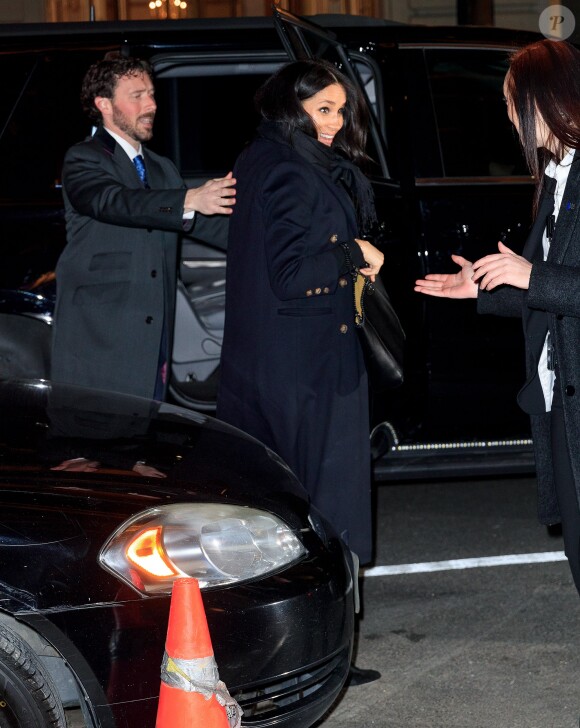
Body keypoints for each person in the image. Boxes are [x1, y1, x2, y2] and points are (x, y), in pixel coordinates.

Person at [414, 38, 580, 595]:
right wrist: (483, 289)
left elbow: (549, 283)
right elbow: (551, 292)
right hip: (563, 398)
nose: (507, 114)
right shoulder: (558, 176)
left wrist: (532, 276)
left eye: (511, 101)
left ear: (542, 100)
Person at [216, 58, 384, 570]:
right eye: (323, 109)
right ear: (293, 108)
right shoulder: (290, 169)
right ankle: (327, 621)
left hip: (272, 364)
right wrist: (354, 253)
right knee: (325, 510)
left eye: (341, 110)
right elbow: (289, 275)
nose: (335, 123)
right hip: (309, 370)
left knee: (276, 509)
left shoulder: (262, 155)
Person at [52, 54, 236, 401]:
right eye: (137, 95)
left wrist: (286, 242)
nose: (150, 104)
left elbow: (207, 226)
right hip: (99, 333)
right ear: (104, 104)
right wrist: (187, 200)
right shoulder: (84, 158)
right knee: (95, 443)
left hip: (150, 336)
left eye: (151, 93)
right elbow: (112, 201)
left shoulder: (161, 167)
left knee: (140, 440)